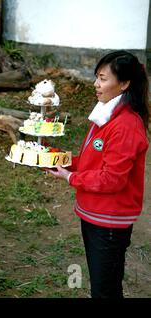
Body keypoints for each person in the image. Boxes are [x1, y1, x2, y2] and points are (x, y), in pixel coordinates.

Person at [46, 50, 149, 298]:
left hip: (109, 221)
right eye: (97, 77)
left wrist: (70, 178)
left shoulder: (126, 125)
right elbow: (94, 161)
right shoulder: (106, 115)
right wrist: (62, 160)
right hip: (95, 215)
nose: (95, 84)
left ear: (124, 84)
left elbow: (112, 179)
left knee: (106, 290)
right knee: (101, 285)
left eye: (103, 79)